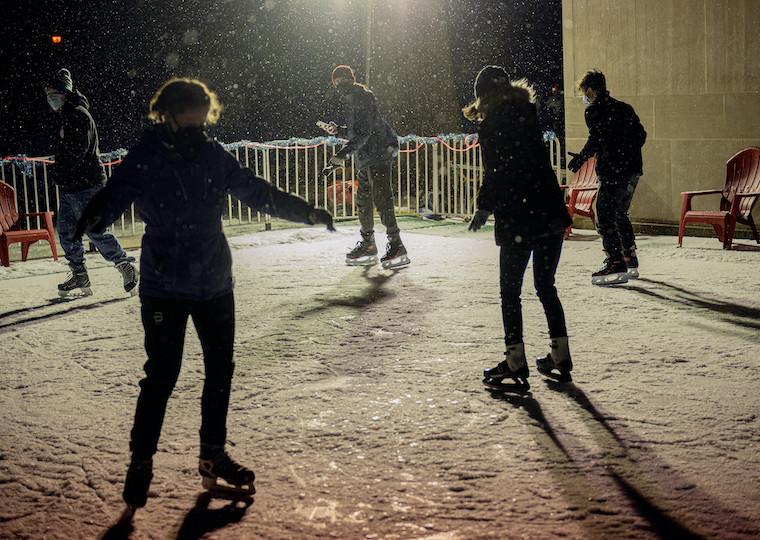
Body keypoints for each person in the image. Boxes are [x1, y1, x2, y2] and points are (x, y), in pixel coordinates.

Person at [75, 78, 335, 514]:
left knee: (220, 371)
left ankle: (212, 453)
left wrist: (305, 211)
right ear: (167, 115)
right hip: (164, 286)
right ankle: (141, 461)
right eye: (187, 122)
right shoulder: (147, 158)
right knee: (161, 374)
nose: (195, 130)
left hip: (214, 282)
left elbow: (258, 193)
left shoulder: (214, 156)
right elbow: (115, 196)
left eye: (201, 122)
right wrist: (94, 213)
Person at [464, 66, 574, 387]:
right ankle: (560, 354)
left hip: (519, 216)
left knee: (510, 291)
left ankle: (515, 361)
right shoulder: (528, 115)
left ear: (483, 94)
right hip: (549, 212)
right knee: (545, 286)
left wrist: (484, 207)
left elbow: (497, 171)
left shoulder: (493, 125)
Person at [44, 68, 138, 297]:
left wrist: (60, 172)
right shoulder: (68, 115)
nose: (49, 98)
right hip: (72, 185)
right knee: (66, 231)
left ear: (63, 92)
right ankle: (79, 274)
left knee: (95, 230)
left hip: (86, 184)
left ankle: (126, 266)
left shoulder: (78, 115)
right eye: (47, 94)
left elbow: (77, 151)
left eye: (52, 93)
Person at [318, 64, 409, 269]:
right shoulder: (351, 99)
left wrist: (340, 157)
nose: (339, 85)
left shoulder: (363, 97)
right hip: (366, 156)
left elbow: (365, 132)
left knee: (382, 199)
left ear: (351, 79)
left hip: (379, 152)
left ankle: (396, 244)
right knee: (363, 201)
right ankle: (368, 244)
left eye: (342, 81)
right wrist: (338, 131)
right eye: (336, 83)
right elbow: (357, 132)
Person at [568, 69, 647, 285]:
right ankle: (629, 258)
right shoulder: (624, 108)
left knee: (603, 214)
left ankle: (615, 261)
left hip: (613, 172)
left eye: (585, 92)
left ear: (591, 91)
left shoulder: (594, 111)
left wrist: (581, 159)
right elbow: (641, 135)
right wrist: (625, 151)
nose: (585, 97)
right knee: (620, 212)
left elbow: (596, 139)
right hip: (632, 170)